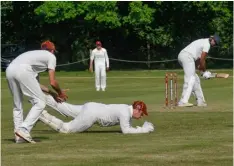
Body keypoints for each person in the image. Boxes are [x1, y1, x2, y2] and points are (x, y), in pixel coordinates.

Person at [6, 40, 68, 143]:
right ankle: (24, 130)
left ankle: (19, 136)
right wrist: (60, 93)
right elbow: (53, 82)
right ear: (52, 50)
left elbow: (35, 85)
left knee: (17, 105)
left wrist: (52, 93)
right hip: (23, 70)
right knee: (40, 102)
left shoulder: (34, 56)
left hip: (9, 70)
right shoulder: (51, 56)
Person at [39, 96, 154, 134]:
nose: (141, 116)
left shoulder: (125, 109)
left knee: (65, 107)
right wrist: (143, 130)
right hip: (92, 114)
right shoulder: (124, 113)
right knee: (66, 129)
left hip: (91, 106)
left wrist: (139, 128)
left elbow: (128, 125)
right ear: (137, 109)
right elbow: (126, 130)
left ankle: (41, 98)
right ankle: (43, 115)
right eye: (142, 113)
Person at [177, 34, 220, 107]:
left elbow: (198, 61)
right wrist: (205, 71)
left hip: (184, 56)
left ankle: (201, 102)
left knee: (195, 79)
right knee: (190, 78)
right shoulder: (207, 44)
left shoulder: (203, 42)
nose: (214, 44)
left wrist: (202, 72)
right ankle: (183, 101)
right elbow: (202, 60)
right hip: (187, 56)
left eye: (215, 43)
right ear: (212, 39)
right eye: (214, 42)